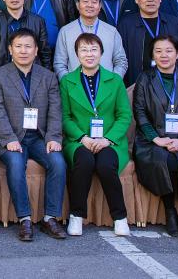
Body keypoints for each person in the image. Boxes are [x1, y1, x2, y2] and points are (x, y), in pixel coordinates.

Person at [0, 29, 67, 242]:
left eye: (28, 46)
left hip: (39, 137)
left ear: (36, 50)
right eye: (18, 46)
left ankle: (50, 218)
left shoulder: (48, 76)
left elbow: (55, 110)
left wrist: (53, 138)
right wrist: (9, 138)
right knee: (15, 163)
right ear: (10, 49)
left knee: (58, 162)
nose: (23, 51)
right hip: (11, 137)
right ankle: (24, 219)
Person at [132, 34, 178, 241]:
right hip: (152, 139)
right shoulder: (144, 79)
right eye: (158, 51)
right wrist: (156, 138)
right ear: (153, 55)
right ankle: (170, 210)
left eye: (169, 51)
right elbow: (140, 112)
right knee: (164, 160)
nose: (164, 55)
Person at [59, 33, 132, 237]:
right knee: (84, 162)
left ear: (101, 53)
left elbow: (124, 115)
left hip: (110, 140)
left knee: (106, 165)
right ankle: (76, 216)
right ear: (76, 54)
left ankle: (120, 217)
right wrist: (83, 137)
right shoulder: (67, 81)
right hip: (78, 140)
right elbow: (64, 117)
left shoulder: (115, 80)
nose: (89, 54)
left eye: (93, 49)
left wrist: (107, 139)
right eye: (84, 50)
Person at [117, 0, 178, 87]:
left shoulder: (175, 23)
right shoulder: (126, 25)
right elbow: (120, 59)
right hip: (137, 84)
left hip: (171, 84)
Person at [54, 0, 129, 79]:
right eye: (85, 1)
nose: (90, 5)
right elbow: (59, 64)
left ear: (100, 6)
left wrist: (113, 82)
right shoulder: (66, 31)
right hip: (74, 85)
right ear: (77, 5)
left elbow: (121, 61)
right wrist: (69, 83)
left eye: (94, 2)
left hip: (106, 85)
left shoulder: (111, 31)